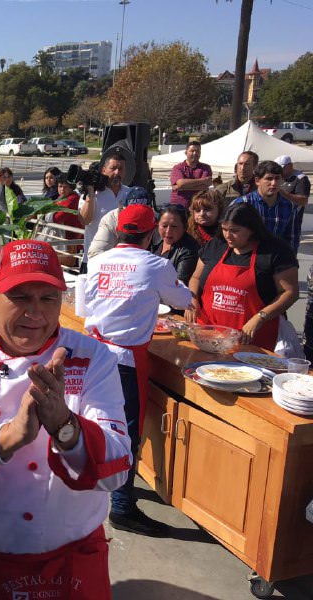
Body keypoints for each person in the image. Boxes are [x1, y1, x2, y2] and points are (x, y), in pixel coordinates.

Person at [0, 239, 131, 600]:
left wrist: (66, 427)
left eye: (48, 298)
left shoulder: (92, 357)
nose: (35, 312)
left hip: (72, 560)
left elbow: (116, 469)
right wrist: (10, 436)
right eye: (20, 296)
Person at [84, 204, 192, 537]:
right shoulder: (156, 264)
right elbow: (183, 299)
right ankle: (122, 507)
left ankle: (106, 485)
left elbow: (83, 305)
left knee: (98, 422)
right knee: (127, 432)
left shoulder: (98, 260)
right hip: (126, 361)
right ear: (148, 235)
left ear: (119, 232)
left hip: (94, 353)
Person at [186, 202, 299, 350]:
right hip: (208, 334)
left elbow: (290, 292)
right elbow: (195, 278)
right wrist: (191, 300)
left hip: (251, 340)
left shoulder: (276, 252)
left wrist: (260, 317)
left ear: (252, 229)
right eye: (224, 229)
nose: (227, 235)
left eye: (235, 230)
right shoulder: (215, 246)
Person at [79, 153, 130, 271]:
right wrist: (90, 194)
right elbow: (85, 220)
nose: (117, 173)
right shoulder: (90, 195)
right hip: (93, 259)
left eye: (121, 169)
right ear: (104, 170)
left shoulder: (130, 193)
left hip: (122, 262)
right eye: (113, 168)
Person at [233, 160, 298, 252]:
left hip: (276, 260)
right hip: (248, 259)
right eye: (269, 178)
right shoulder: (242, 203)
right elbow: (230, 234)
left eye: (277, 178)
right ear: (257, 180)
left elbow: (292, 237)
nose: (274, 183)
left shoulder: (288, 206)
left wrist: (290, 260)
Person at [87, 186, 157, 260]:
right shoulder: (111, 219)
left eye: (143, 212)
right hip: (116, 265)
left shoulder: (159, 220)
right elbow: (96, 254)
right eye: (132, 211)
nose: (137, 215)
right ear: (123, 208)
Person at [151, 205, 200, 285]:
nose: (168, 231)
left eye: (174, 226)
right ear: (157, 225)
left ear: (185, 227)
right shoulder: (152, 237)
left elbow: (179, 283)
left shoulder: (189, 249)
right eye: (164, 226)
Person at [276, 154, 310, 251]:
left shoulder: (300, 179)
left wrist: (283, 193)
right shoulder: (279, 177)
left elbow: (303, 200)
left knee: (288, 252)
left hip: (291, 222)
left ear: (290, 166)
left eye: (281, 168)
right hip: (276, 219)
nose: (279, 171)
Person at [170, 140, 213, 209]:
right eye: (192, 151)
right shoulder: (177, 168)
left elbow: (204, 187)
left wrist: (181, 187)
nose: (195, 153)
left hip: (198, 208)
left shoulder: (206, 168)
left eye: (198, 151)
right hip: (179, 208)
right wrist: (202, 180)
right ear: (186, 152)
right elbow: (181, 183)